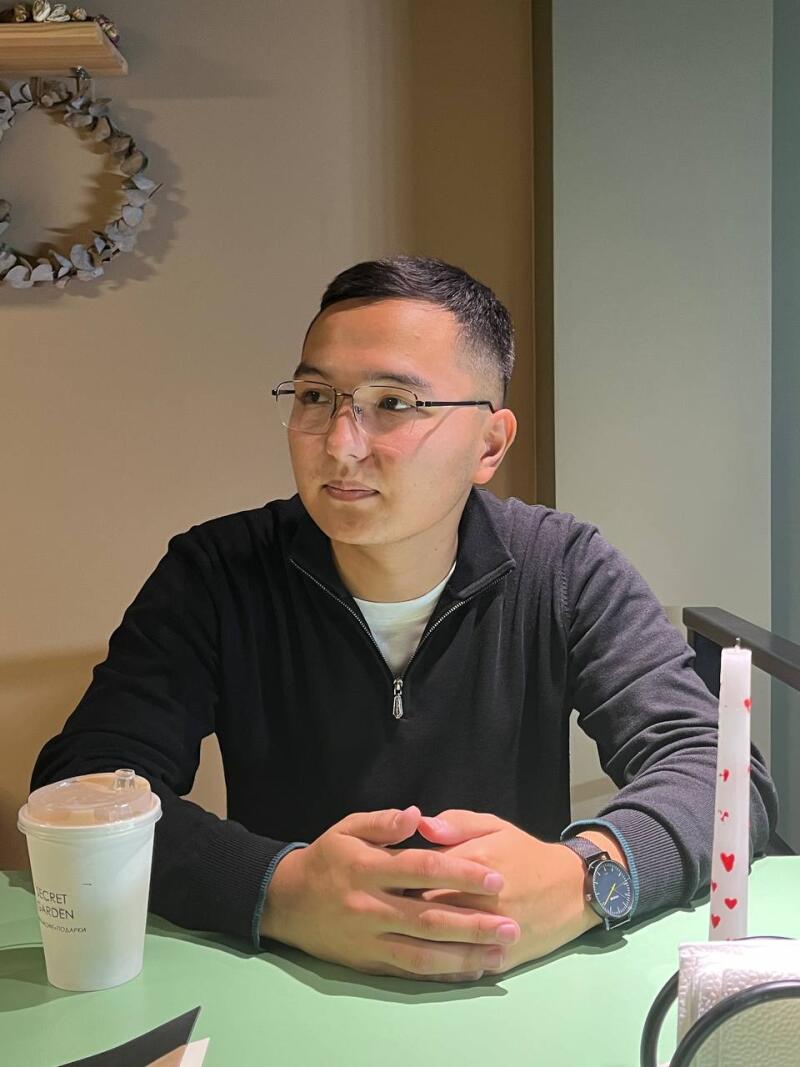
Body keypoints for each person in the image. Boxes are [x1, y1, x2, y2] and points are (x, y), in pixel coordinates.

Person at [31, 256, 778, 984]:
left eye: (394, 403)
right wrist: (276, 889)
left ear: (489, 443)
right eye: (316, 396)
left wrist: (583, 876)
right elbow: (85, 785)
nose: (339, 443)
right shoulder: (217, 573)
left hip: (519, 982)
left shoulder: (563, 567)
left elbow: (716, 773)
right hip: (290, 983)